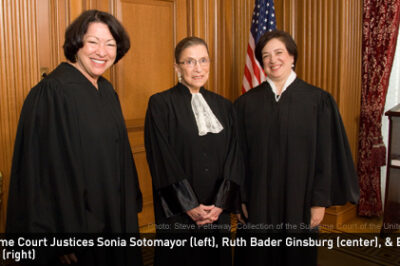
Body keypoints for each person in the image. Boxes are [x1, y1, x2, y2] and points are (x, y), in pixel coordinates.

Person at [6, 10, 143, 265]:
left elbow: (119, 152)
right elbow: (43, 172)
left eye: (110, 44)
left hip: (112, 215)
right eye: (93, 42)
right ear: (76, 43)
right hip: (78, 228)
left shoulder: (106, 90)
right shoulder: (53, 93)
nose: (102, 52)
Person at [234, 30, 360, 266]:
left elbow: (326, 155)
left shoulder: (318, 101)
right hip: (258, 201)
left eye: (279, 52)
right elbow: (238, 156)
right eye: (266, 55)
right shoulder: (245, 104)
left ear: (292, 56)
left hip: (300, 201)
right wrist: (240, 197)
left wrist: (319, 201)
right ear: (261, 63)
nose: (273, 60)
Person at [144, 36, 243, 266]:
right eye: (189, 62)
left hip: (216, 212)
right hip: (179, 211)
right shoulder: (160, 104)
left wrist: (220, 204)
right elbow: (162, 159)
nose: (198, 68)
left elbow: (234, 155)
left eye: (203, 60)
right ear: (177, 67)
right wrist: (188, 205)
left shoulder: (225, 106)